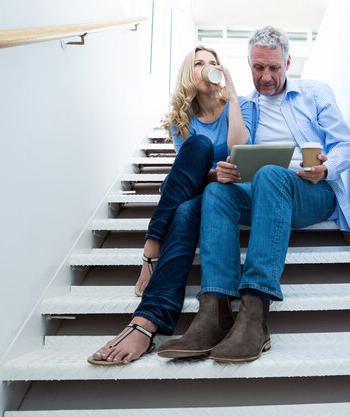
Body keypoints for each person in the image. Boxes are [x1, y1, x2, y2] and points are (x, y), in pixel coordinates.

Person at [158, 26, 350, 363]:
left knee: (270, 174)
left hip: (312, 190)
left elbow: (345, 145)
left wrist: (326, 167)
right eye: (258, 68)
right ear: (248, 64)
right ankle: (215, 309)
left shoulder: (315, 92)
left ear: (288, 62)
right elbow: (235, 150)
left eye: (274, 68)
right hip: (265, 192)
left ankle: (254, 312)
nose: (266, 77)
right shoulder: (245, 106)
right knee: (217, 194)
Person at [87, 46, 252, 365]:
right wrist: (213, 172)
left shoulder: (240, 106)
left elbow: (239, 149)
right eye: (199, 64)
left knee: (186, 210)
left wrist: (232, 98)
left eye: (213, 63)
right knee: (198, 148)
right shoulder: (181, 119)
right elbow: (189, 170)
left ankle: (150, 266)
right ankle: (148, 317)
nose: (207, 68)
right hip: (199, 183)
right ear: (189, 73)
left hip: (229, 191)